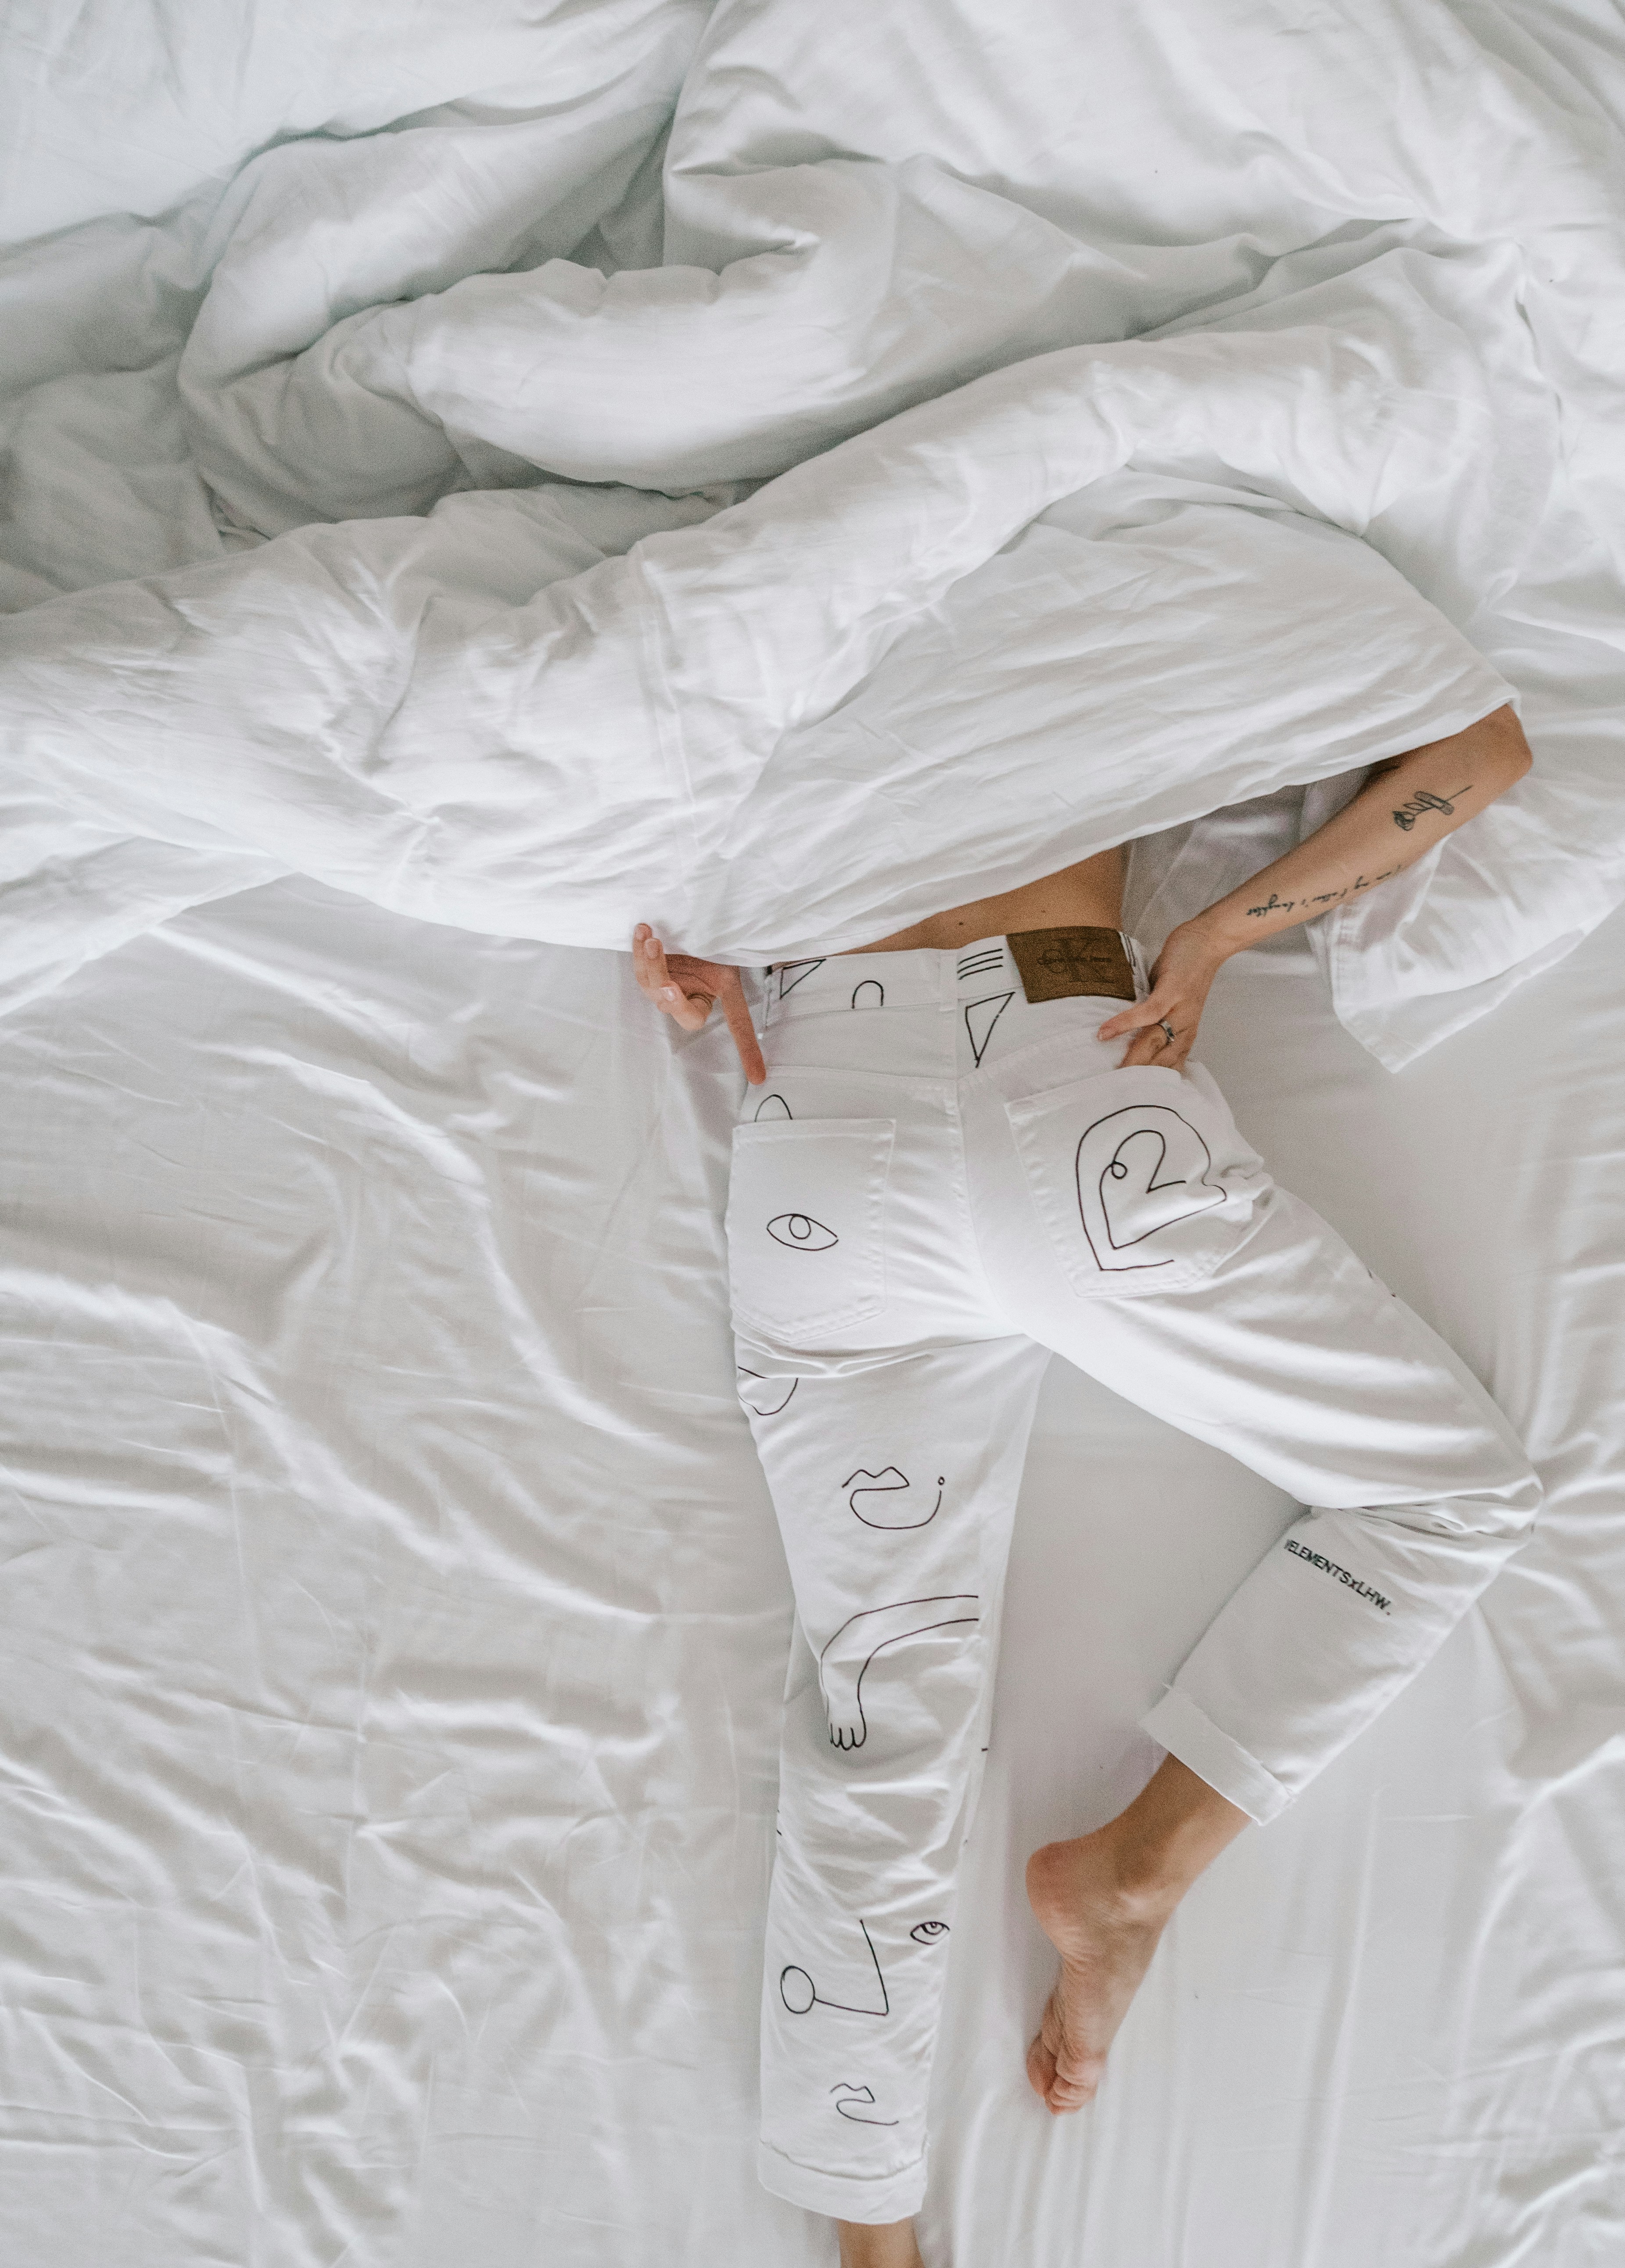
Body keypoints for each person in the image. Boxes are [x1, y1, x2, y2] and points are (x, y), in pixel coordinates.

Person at [634, 705, 1540, 2268]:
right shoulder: (1151, 563)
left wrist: (716, 946)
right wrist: (1213, 938)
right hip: (1066, 1082)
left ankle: (874, 2245)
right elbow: (1482, 754)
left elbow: (670, 886)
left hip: (819, 1137)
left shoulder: (806, 620)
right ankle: (1140, 1865)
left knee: (881, 1704)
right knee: (1445, 1496)